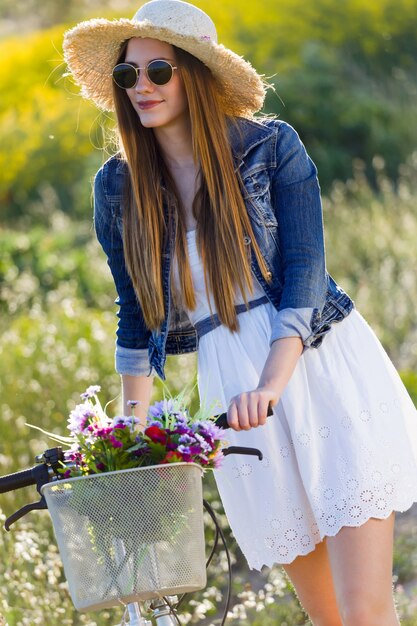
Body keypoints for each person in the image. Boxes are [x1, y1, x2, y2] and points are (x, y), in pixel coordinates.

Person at [63, 1, 417, 624]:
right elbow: (135, 316)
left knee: (365, 612)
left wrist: (272, 383)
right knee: (327, 616)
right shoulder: (117, 187)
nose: (141, 87)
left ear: (195, 75)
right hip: (231, 384)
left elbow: (305, 274)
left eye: (158, 72)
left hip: (315, 364)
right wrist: (132, 434)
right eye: (128, 76)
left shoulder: (272, 147)